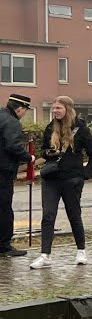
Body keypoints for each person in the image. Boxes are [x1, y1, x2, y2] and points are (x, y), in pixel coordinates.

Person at [29, 96, 92, 269]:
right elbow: (43, 152)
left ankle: (81, 251)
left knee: (74, 216)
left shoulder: (80, 128)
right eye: (54, 108)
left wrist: (84, 175)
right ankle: (45, 255)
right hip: (51, 180)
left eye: (58, 108)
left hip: (72, 180)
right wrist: (49, 153)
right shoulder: (50, 127)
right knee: (48, 216)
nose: (55, 111)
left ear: (68, 109)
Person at [0, 94, 34, 257]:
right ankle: (4, 246)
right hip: (3, 172)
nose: (23, 115)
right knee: (4, 208)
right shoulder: (12, 122)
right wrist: (29, 157)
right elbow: (13, 145)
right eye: (25, 112)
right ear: (19, 109)